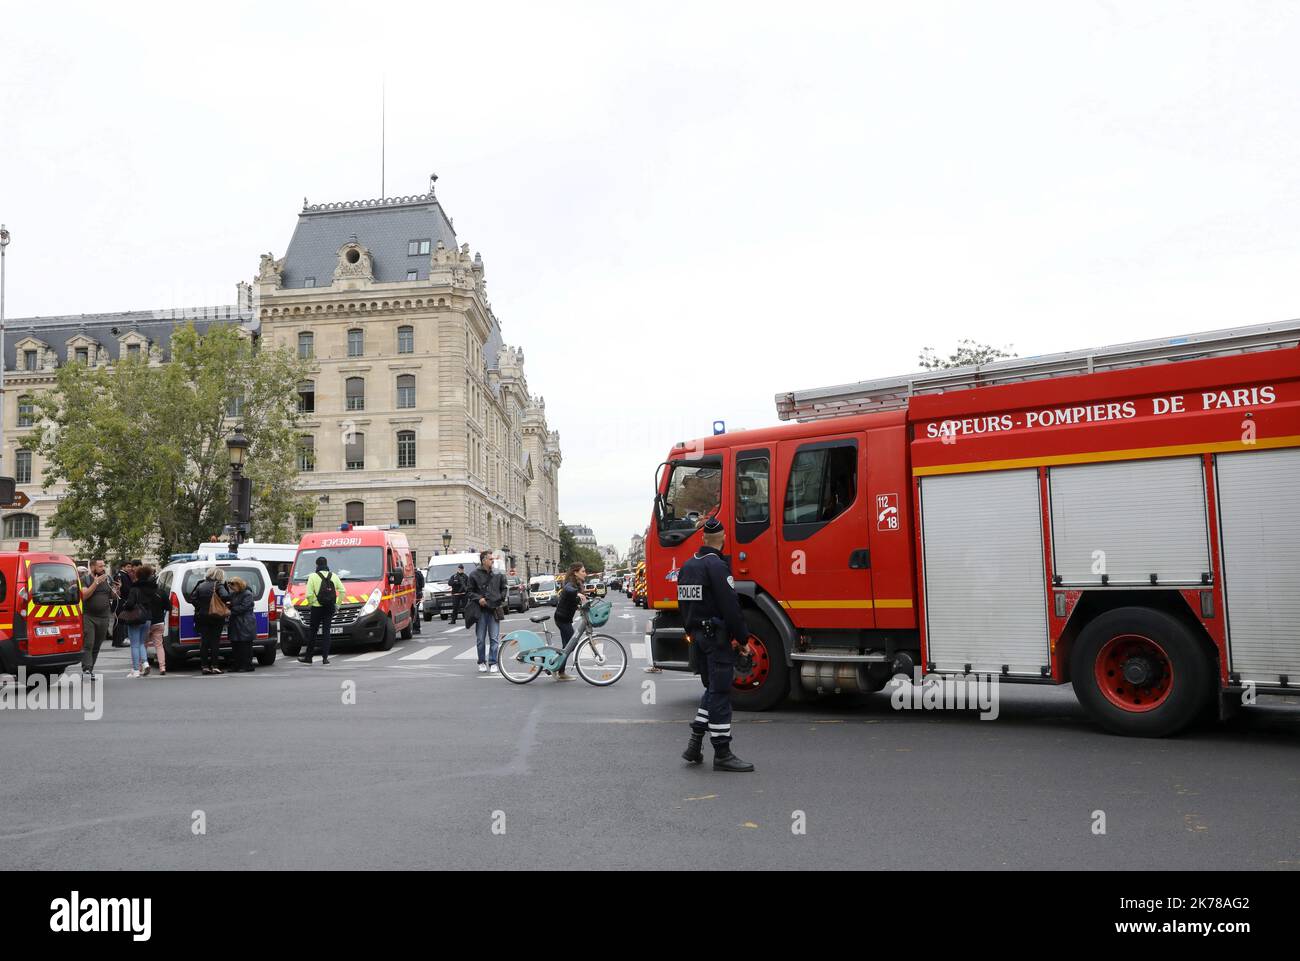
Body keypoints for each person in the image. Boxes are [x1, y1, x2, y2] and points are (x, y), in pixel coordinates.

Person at [676, 517, 754, 773]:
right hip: (716, 638)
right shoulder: (717, 567)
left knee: (711, 690)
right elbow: (731, 607)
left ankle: (695, 743)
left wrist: (692, 633)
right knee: (720, 694)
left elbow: (683, 606)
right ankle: (722, 752)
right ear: (722, 539)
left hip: (698, 637)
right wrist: (742, 640)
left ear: (702, 539)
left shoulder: (687, 567)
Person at [465, 550, 507, 673]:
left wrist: (500, 598)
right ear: (483, 560)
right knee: (480, 639)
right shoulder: (474, 574)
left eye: (493, 559)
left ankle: (493, 662)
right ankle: (482, 662)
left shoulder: (498, 574)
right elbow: (469, 592)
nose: (492, 561)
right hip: (481, 610)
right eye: (490, 559)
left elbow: (504, 588)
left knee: (494, 639)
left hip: (494, 609)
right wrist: (479, 599)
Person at [300, 556, 344, 665]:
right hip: (329, 607)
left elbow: (309, 594)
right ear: (326, 564)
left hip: (316, 608)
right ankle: (325, 658)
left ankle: (308, 657)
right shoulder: (334, 576)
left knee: (313, 632)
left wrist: (312, 603)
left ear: (317, 565)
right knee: (326, 632)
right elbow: (343, 591)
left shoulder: (313, 577)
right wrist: (337, 605)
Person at [191, 567, 232, 675]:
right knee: (215, 642)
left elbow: (193, 598)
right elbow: (226, 596)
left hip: (203, 616)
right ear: (218, 576)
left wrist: (202, 607)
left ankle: (204, 666)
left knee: (204, 642)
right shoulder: (218, 585)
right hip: (216, 616)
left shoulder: (201, 585)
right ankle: (215, 666)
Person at [552, 562, 588, 681]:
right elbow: (567, 589)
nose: (585, 573)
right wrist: (577, 593)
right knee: (570, 646)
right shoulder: (570, 583)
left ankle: (559, 671)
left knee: (566, 646)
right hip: (562, 618)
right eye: (583, 571)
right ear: (575, 572)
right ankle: (554, 665)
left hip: (565, 618)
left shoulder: (577, 584)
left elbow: (573, 601)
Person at [121, 563, 158, 677]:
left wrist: (125, 605)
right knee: (142, 643)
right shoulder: (153, 587)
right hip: (147, 617)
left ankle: (136, 669)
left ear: (137, 575)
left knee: (135, 644)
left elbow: (130, 603)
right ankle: (145, 663)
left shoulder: (135, 588)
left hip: (136, 618)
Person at [79, 559, 115, 678]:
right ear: (92, 567)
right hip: (89, 617)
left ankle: (90, 669)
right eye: (100, 566)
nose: (103, 568)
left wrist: (117, 590)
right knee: (88, 643)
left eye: (104, 565)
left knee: (97, 645)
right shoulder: (86, 579)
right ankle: (86, 670)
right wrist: (96, 583)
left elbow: (112, 596)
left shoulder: (108, 579)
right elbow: (84, 595)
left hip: (104, 618)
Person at [226, 576, 257, 672]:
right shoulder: (234, 594)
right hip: (236, 622)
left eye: (233, 586)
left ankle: (246, 665)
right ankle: (237, 665)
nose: (232, 589)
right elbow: (230, 602)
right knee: (236, 645)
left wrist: (230, 610)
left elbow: (244, 607)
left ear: (239, 585)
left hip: (245, 622)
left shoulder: (247, 594)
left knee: (245, 645)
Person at [110, 559, 139, 647]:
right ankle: (119, 641)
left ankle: (117, 641)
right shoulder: (120, 575)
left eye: (130, 566)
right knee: (120, 621)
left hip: (122, 600)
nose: (130, 568)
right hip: (120, 601)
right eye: (128, 566)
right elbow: (122, 589)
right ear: (123, 567)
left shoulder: (125, 575)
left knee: (120, 621)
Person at [412, 562, 425, 635]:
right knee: (415, 610)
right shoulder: (419, 573)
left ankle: (416, 628)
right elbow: (422, 585)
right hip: (418, 593)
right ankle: (416, 627)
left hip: (416, 594)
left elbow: (416, 585)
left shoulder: (415, 574)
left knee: (415, 611)